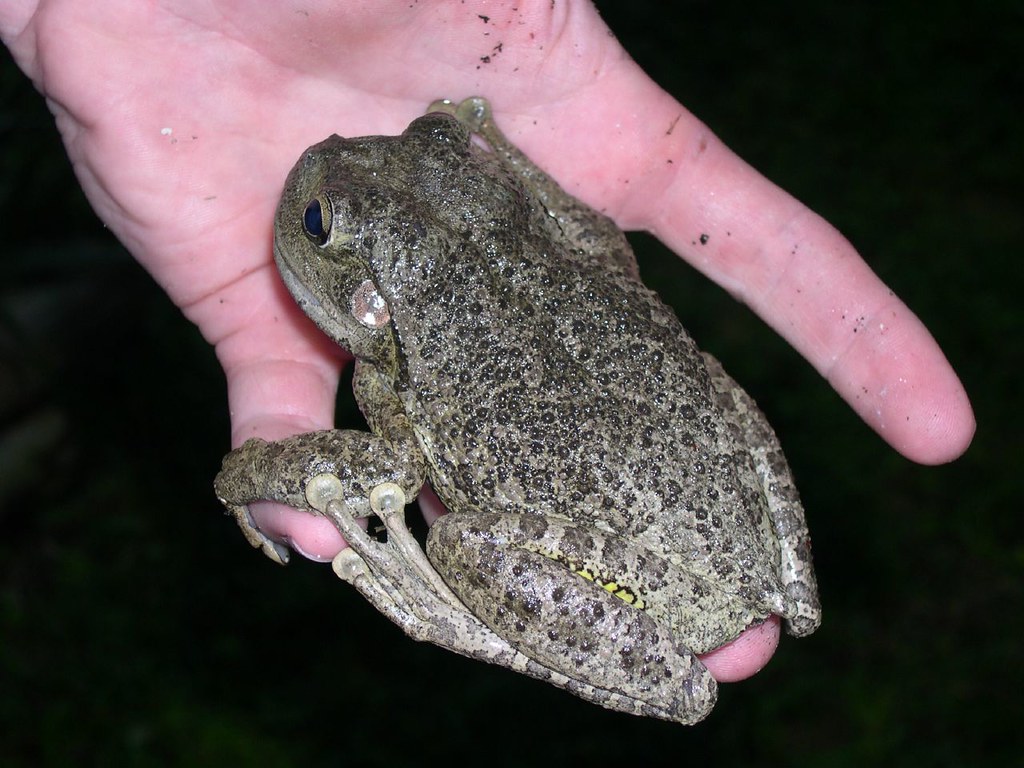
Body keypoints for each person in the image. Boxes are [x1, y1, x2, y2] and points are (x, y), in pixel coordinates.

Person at [1, 2, 973, 683]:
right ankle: (783, 587)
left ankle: (546, 635)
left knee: (458, 536)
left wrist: (252, 469)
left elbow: (375, 457)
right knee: (701, 388)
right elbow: (596, 241)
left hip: (628, 546)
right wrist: (491, 151)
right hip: (693, 485)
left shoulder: (395, 346)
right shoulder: (566, 243)